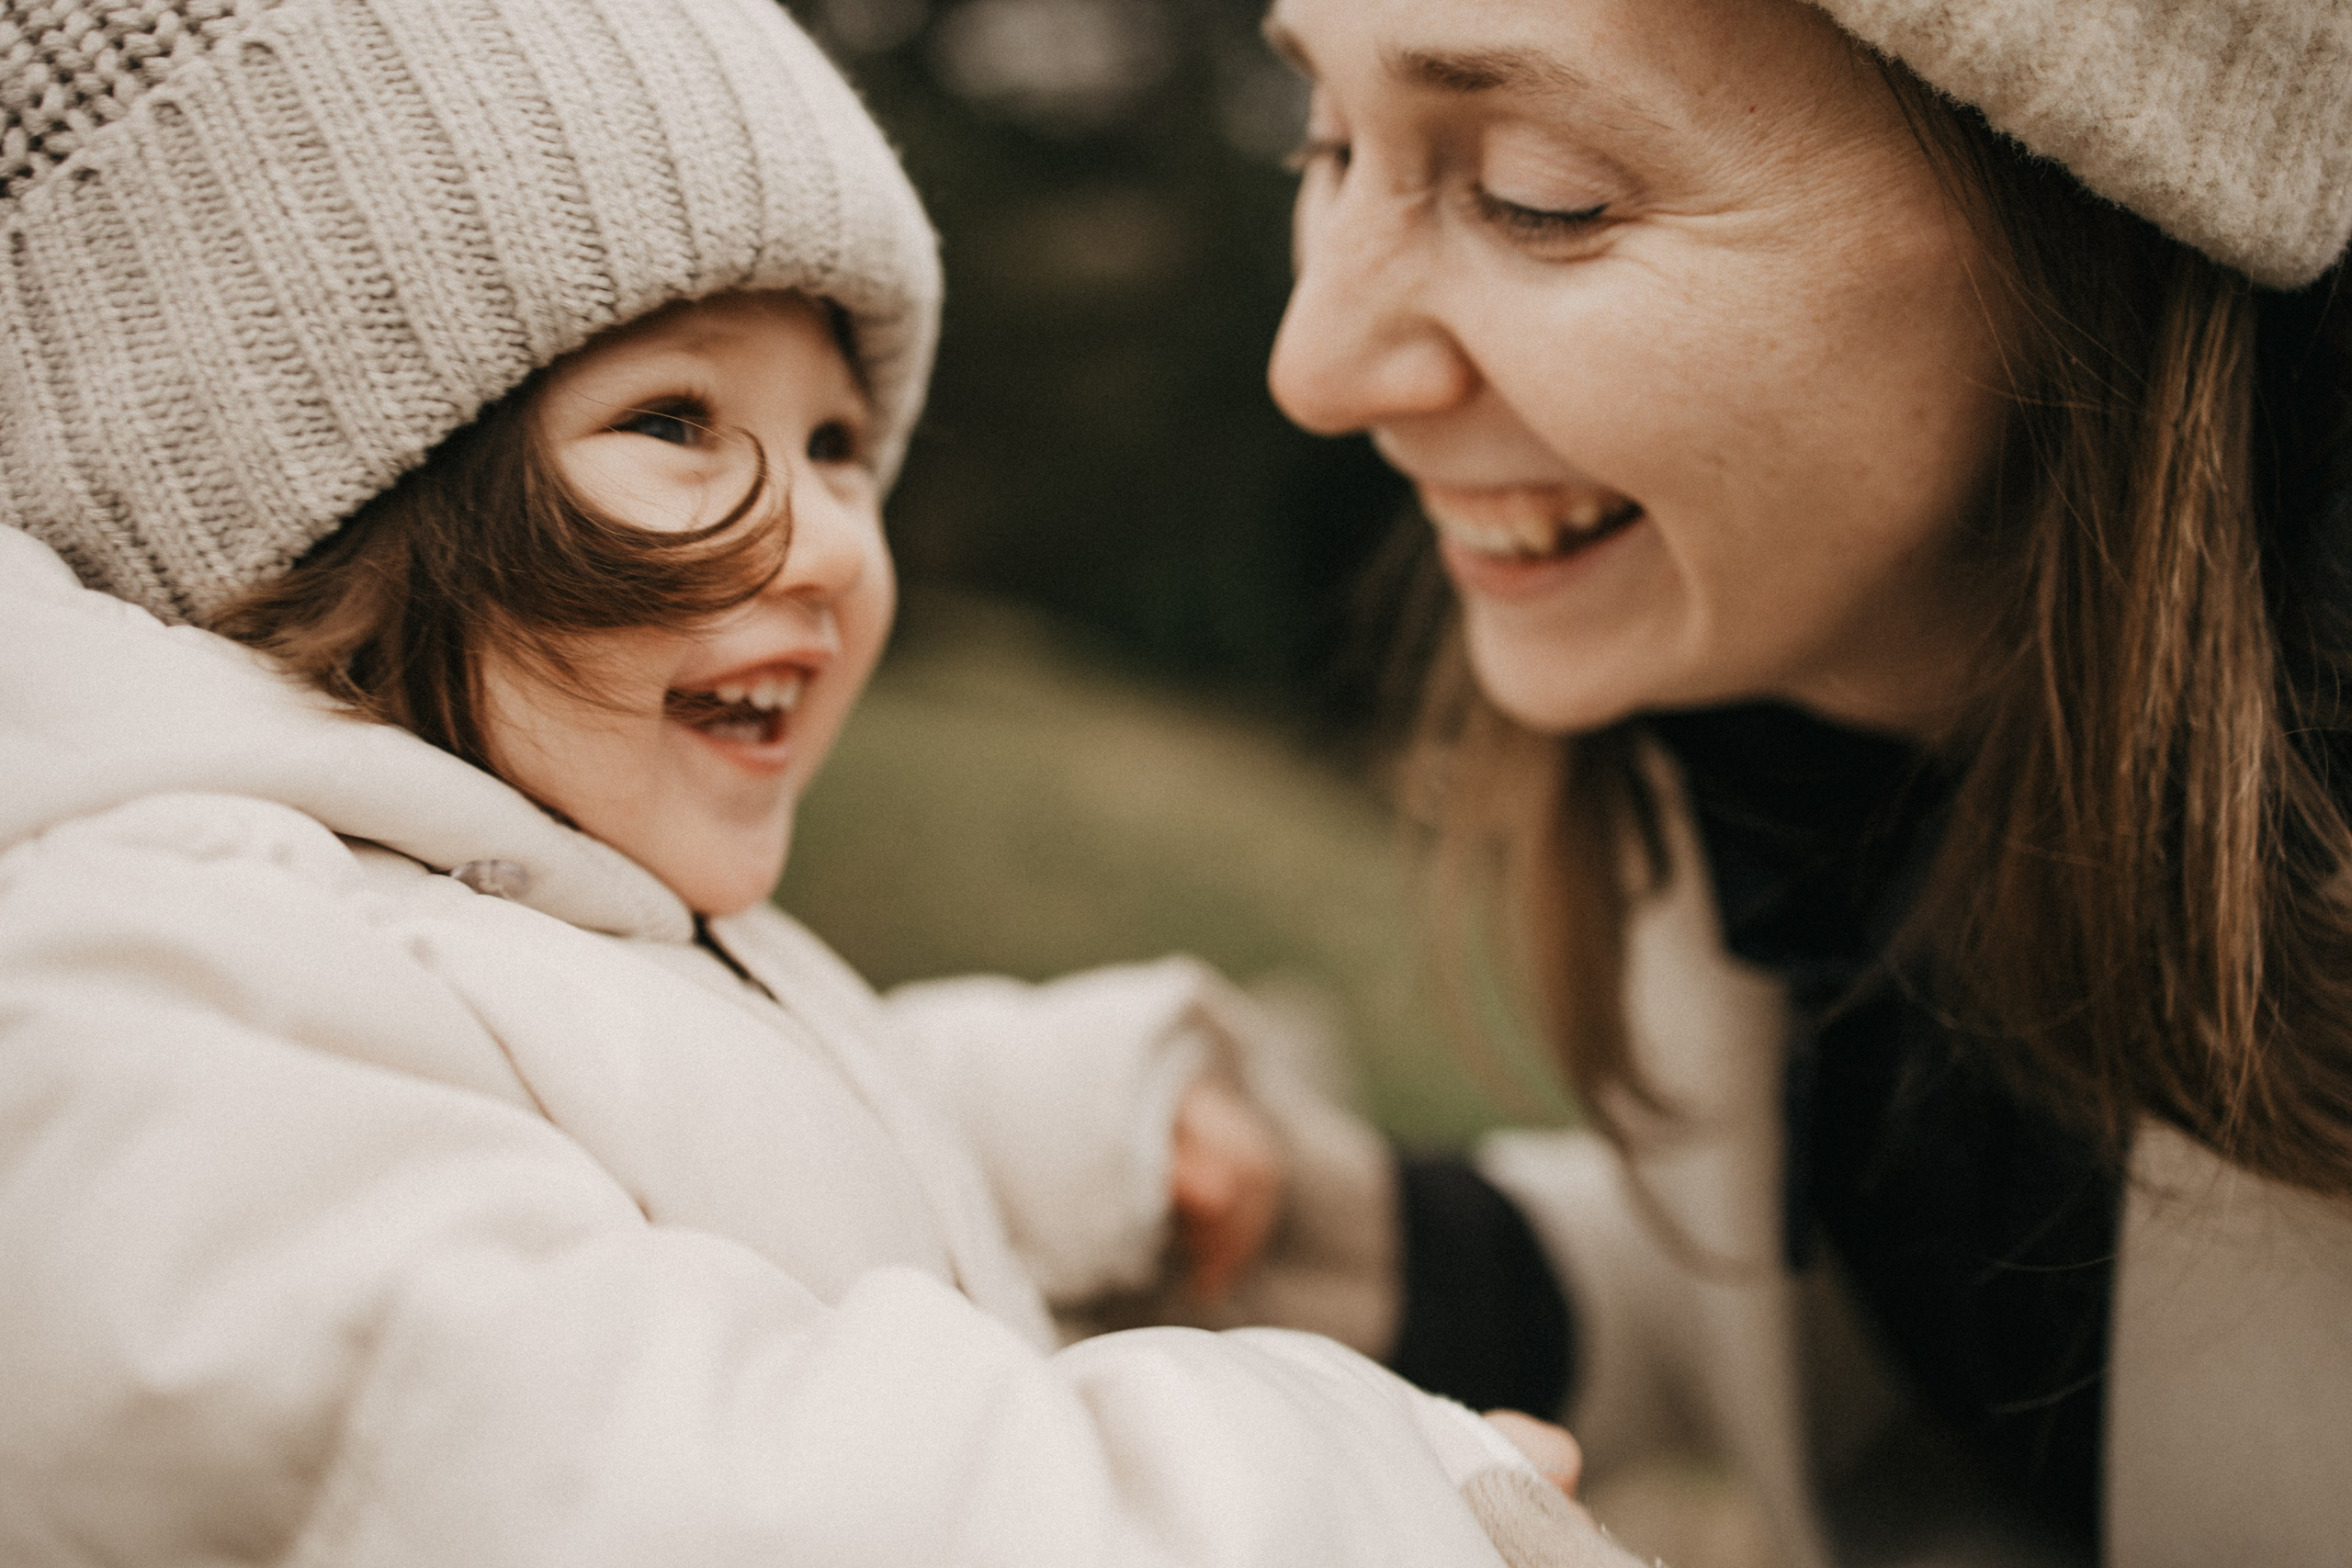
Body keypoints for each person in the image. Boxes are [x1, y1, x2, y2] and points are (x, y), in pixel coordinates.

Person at [0, 0, 1618, 1561]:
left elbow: (638, 1110)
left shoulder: (479, 885)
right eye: (678, 419)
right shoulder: (120, 992)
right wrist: (1340, 1500)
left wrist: (1028, 1126)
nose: (834, 542)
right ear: (298, 490)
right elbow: (655, 1493)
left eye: (840, 440)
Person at [1240, 0, 2352, 1563]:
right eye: (1328, 143)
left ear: (2097, 213)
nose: (1317, 363)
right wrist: (1406, 1255)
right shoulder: (1775, 723)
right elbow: (2006, 1308)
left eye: (1542, 194)